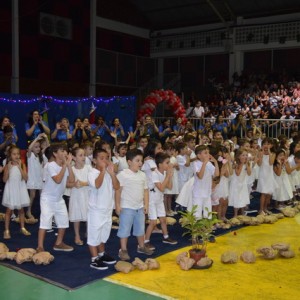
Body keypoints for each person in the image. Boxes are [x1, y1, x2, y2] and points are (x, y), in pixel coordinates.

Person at [115, 149, 153, 261]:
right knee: (124, 229)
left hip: (139, 207)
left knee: (140, 229)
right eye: (137, 160)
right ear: (129, 162)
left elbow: (146, 191)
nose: (140, 163)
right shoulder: (123, 174)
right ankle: (123, 249)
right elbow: (118, 191)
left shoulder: (142, 175)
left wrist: (146, 204)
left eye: (141, 160)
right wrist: (117, 205)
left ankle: (141, 246)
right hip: (127, 207)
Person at [37, 142, 75, 252]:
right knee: (45, 222)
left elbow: (71, 180)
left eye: (65, 151)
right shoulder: (50, 166)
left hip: (59, 199)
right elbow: (58, 180)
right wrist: (64, 166)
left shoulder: (65, 166)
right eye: (62, 151)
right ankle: (40, 246)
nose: (65, 153)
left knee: (63, 221)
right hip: (47, 199)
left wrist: (68, 166)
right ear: (55, 154)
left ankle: (58, 243)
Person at [87, 148, 120, 270]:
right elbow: (97, 184)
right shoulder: (92, 173)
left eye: (107, 158)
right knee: (94, 234)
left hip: (107, 209)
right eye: (101, 158)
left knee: (103, 233)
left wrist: (111, 174)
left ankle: (101, 254)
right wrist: (102, 171)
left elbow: (117, 187)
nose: (105, 161)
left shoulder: (108, 173)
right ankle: (94, 259)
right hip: (96, 210)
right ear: (94, 161)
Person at [144, 152, 177, 248]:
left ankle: (166, 237)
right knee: (153, 222)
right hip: (151, 200)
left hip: (159, 199)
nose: (169, 164)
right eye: (167, 162)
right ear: (160, 165)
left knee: (163, 219)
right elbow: (162, 188)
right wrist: (167, 176)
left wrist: (170, 176)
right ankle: (145, 241)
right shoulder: (154, 174)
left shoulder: (165, 173)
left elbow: (170, 187)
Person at [2, 145, 31, 239]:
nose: (17, 156)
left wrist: (19, 167)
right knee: (8, 211)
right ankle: (6, 230)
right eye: (14, 154)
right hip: (11, 189)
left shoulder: (22, 164)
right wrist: (9, 169)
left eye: (18, 154)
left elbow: (26, 178)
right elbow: (4, 180)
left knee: (21, 210)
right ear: (10, 155)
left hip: (20, 189)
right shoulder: (8, 165)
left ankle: (22, 227)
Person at [68, 147, 92, 245]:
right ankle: (77, 235)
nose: (83, 157)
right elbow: (68, 183)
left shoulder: (88, 167)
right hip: (76, 196)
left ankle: (88, 231)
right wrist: (74, 184)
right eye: (80, 155)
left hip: (87, 194)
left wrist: (83, 183)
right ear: (74, 157)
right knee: (76, 215)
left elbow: (93, 182)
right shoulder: (71, 169)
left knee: (89, 214)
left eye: (84, 155)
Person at [192, 145, 219, 219]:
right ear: (199, 155)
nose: (208, 155)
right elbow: (200, 176)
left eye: (208, 153)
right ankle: (197, 229)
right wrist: (204, 163)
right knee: (197, 214)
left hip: (207, 192)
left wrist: (215, 162)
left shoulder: (209, 164)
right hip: (198, 193)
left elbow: (216, 175)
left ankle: (207, 228)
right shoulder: (195, 163)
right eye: (205, 153)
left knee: (208, 214)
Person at [26, 133, 48, 220]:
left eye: (39, 146)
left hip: (40, 179)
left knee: (42, 196)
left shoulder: (41, 155)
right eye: (36, 147)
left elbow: (48, 146)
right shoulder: (30, 156)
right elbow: (29, 148)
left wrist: (46, 138)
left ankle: (44, 211)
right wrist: (37, 138)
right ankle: (28, 211)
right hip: (32, 179)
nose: (38, 148)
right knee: (32, 196)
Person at [228, 149, 252, 217]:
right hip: (236, 184)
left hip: (243, 183)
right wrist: (242, 163)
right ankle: (235, 214)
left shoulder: (247, 163)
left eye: (246, 155)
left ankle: (242, 212)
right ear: (238, 156)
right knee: (237, 198)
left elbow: (249, 173)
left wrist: (247, 164)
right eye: (243, 155)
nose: (245, 157)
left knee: (243, 198)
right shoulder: (236, 164)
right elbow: (238, 173)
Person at [256, 138, 277, 215]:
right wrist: (260, 155)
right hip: (263, 175)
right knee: (263, 193)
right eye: (264, 144)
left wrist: (269, 152)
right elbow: (259, 164)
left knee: (269, 193)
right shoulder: (260, 153)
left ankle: (265, 208)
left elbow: (271, 163)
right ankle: (261, 209)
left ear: (271, 145)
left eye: (268, 144)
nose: (266, 145)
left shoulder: (273, 153)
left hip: (269, 175)